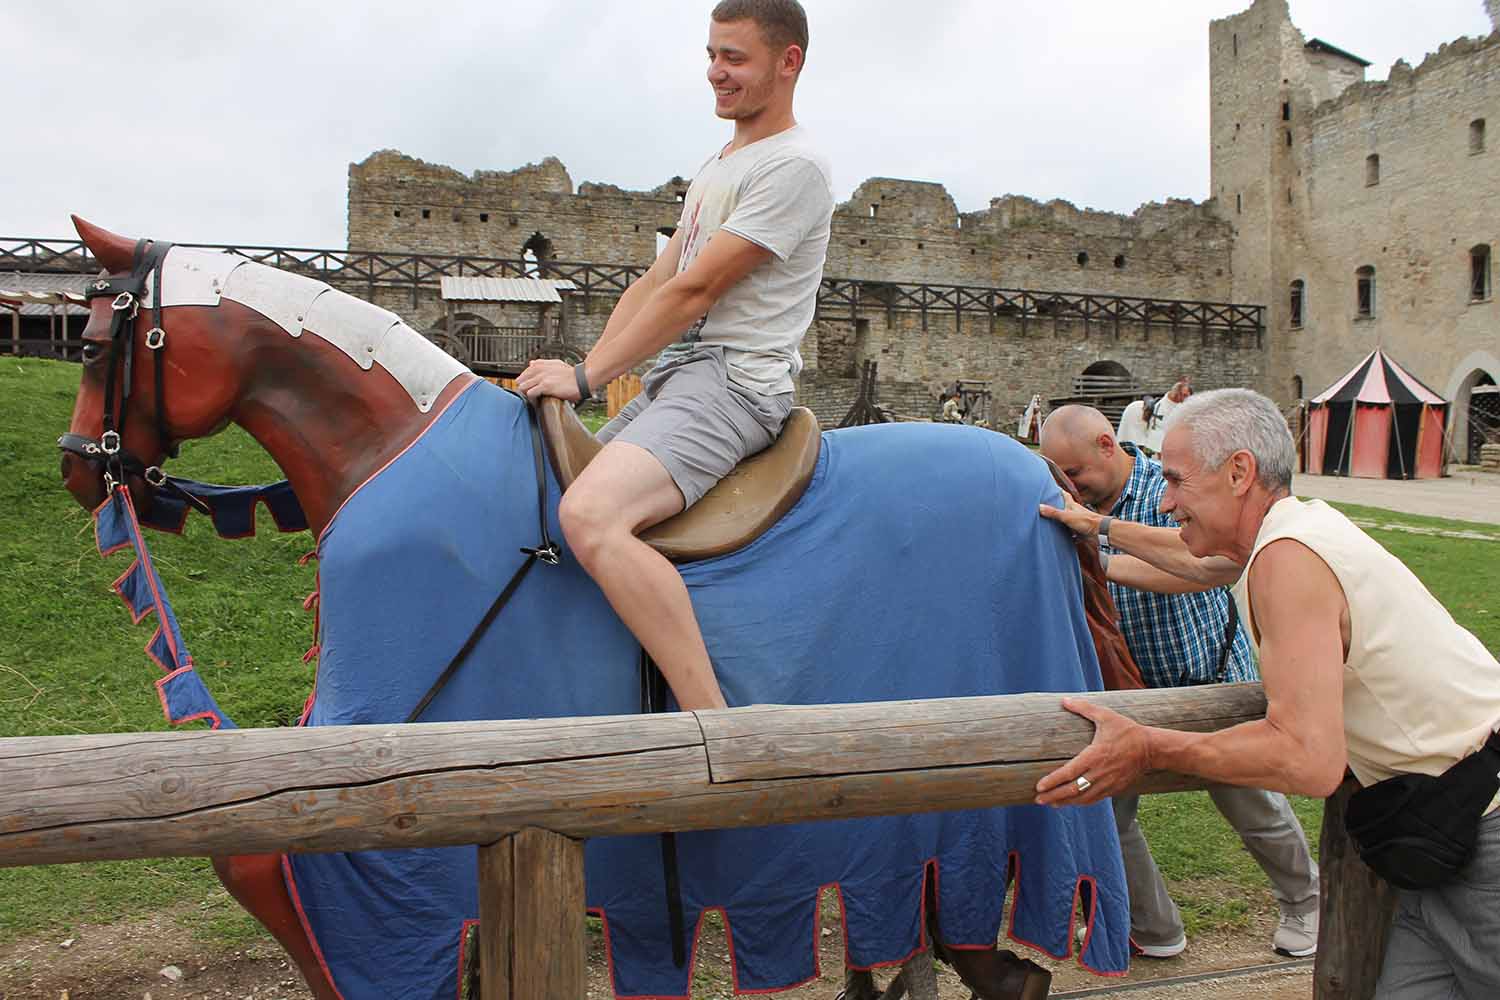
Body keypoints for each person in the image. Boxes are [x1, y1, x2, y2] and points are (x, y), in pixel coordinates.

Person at [1037, 388, 1500, 997]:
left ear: (1238, 472)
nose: (1166, 501)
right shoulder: (1298, 527)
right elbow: (1196, 561)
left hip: (1479, 829)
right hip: (1447, 827)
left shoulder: (1288, 560)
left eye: (1175, 481)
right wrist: (1097, 528)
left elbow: (1306, 758)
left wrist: (1147, 747)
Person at [516, 0, 832, 711]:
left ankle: (712, 725)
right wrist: (588, 368)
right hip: (680, 379)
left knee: (590, 514)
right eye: (712, 55)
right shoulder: (720, 165)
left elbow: (695, 291)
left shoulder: (795, 167)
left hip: (736, 384)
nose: (716, 72)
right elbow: (656, 281)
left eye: (735, 58)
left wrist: (585, 376)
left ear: (789, 62)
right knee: (552, 492)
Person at [1039, 405, 1319, 960]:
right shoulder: (1077, 504)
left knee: (1253, 807)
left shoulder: (1169, 489)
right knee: (1108, 812)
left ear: (1106, 445)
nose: (1070, 484)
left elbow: (1199, 568)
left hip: (1206, 685)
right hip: (1130, 695)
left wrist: (1098, 557)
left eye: (1075, 472)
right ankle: (1152, 926)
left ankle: (1308, 904)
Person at [1117, 376, 1192, 454]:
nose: (1187, 399)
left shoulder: (1180, 407)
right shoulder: (1163, 407)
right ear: (1178, 393)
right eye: (1184, 395)